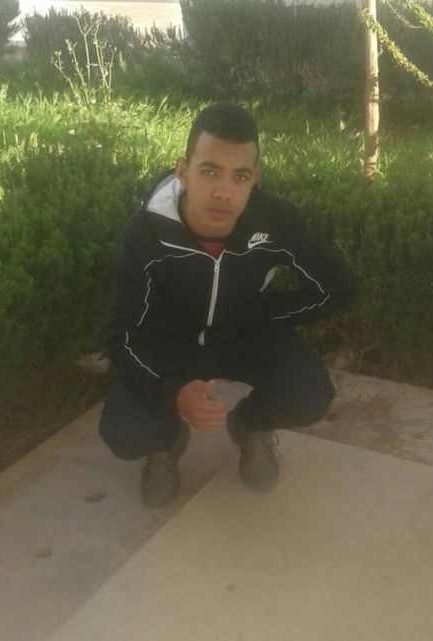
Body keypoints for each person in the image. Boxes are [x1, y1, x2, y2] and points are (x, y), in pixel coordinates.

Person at [99, 103, 355, 509]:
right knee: (125, 431)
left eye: (240, 176)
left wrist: (266, 313)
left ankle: (251, 426)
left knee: (309, 394)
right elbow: (123, 336)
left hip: (243, 335)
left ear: (254, 179)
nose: (224, 192)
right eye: (209, 172)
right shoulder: (146, 233)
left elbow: (337, 287)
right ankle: (165, 443)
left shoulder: (274, 222)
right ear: (183, 171)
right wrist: (173, 395)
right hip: (170, 343)